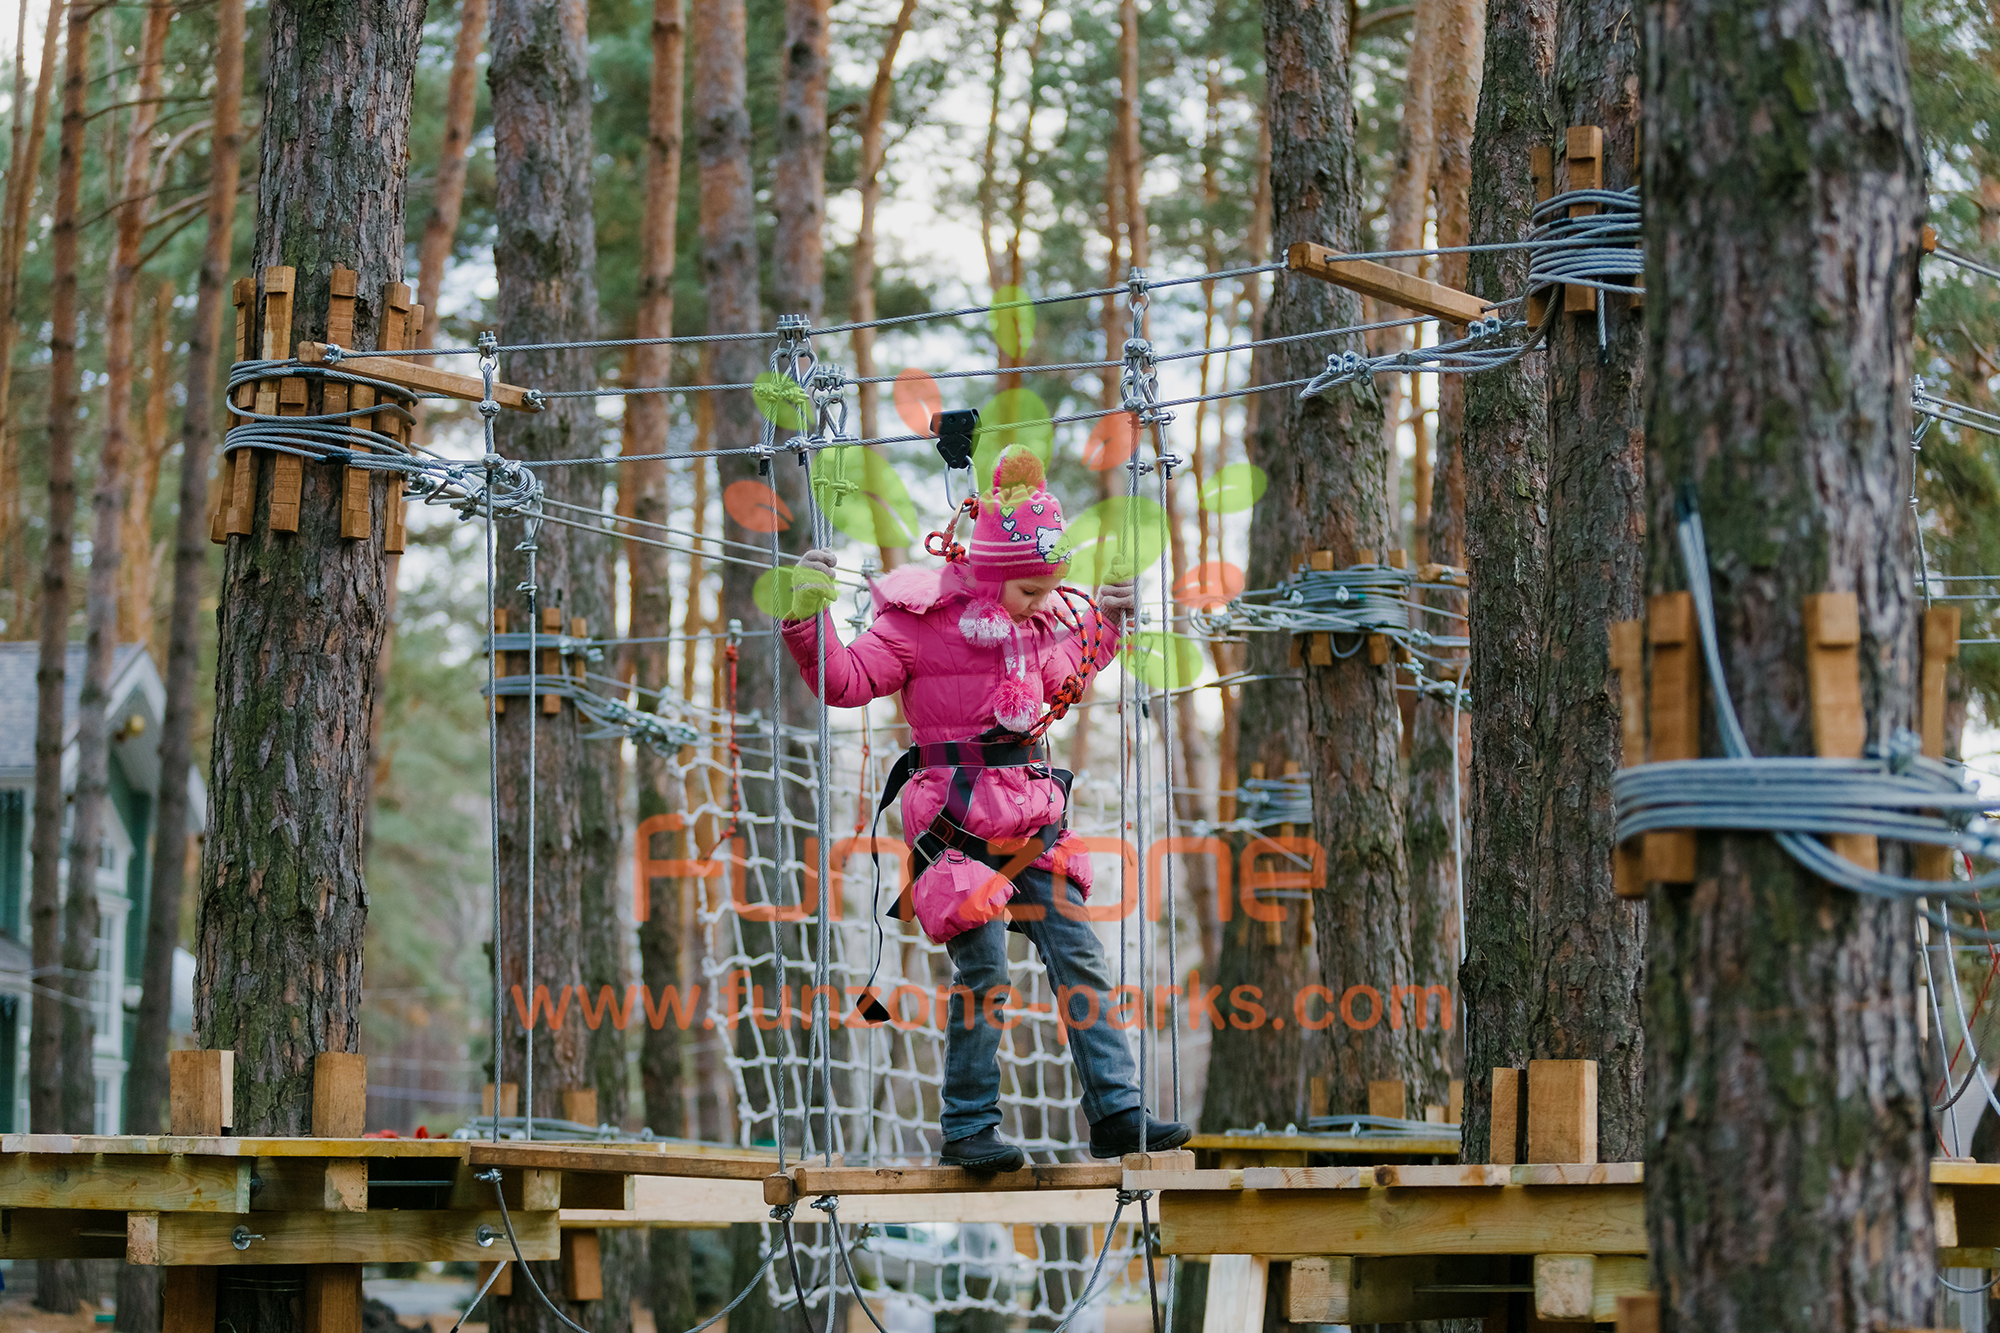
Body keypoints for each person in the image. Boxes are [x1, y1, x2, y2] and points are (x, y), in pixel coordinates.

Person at [780, 447, 1191, 1170]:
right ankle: (969, 1126)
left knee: (1081, 956)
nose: (1041, 606)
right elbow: (843, 682)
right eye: (1030, 591)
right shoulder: (919, 621)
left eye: (1048, 592)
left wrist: (1113, 616)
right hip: (955, 830)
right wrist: (806, 617)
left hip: (1031, 822)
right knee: (987, 974)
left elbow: (1079, 662)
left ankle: (1118, 1112)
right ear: (997, 575)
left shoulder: (1041, 624)